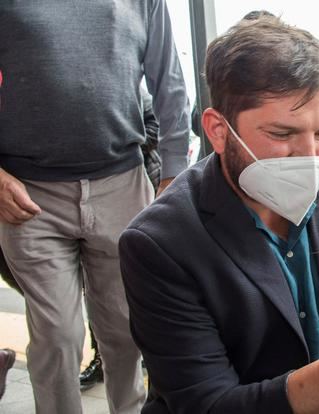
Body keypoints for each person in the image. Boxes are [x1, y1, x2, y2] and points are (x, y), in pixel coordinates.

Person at [119, 15, 319, 414]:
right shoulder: (160, 244)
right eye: (282, 135)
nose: (310, 158)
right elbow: (207, 404)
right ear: (218, 131)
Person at [0, 0, 190, 412]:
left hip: (122, 184)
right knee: (58, 334)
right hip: (30, 195)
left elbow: (169, 83)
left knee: (126, 330)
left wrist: (174, 172)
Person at [79, 85, 163, 391]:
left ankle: (135, 359)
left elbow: (155, 128)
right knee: (92, 295)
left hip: (128, 188)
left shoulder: (131, 92)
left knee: (121, 294)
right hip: (66, 197)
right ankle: (100, 356)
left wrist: (117, 146)